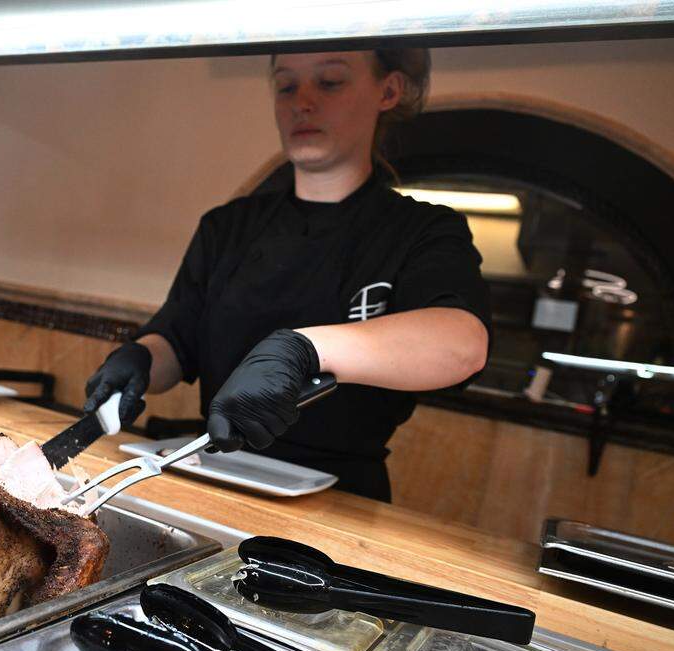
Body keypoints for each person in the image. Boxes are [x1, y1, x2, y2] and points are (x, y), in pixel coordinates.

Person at [83, 50, 491, 502]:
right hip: (216, 477)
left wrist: (305, 350)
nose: (303, 102)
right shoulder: (227, 226)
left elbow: (461, 344)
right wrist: (138, 360)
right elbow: (177, 341)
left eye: (330, 82)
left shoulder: (423, 231)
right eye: (286, 85)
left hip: (340, 501)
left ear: (388, 91)